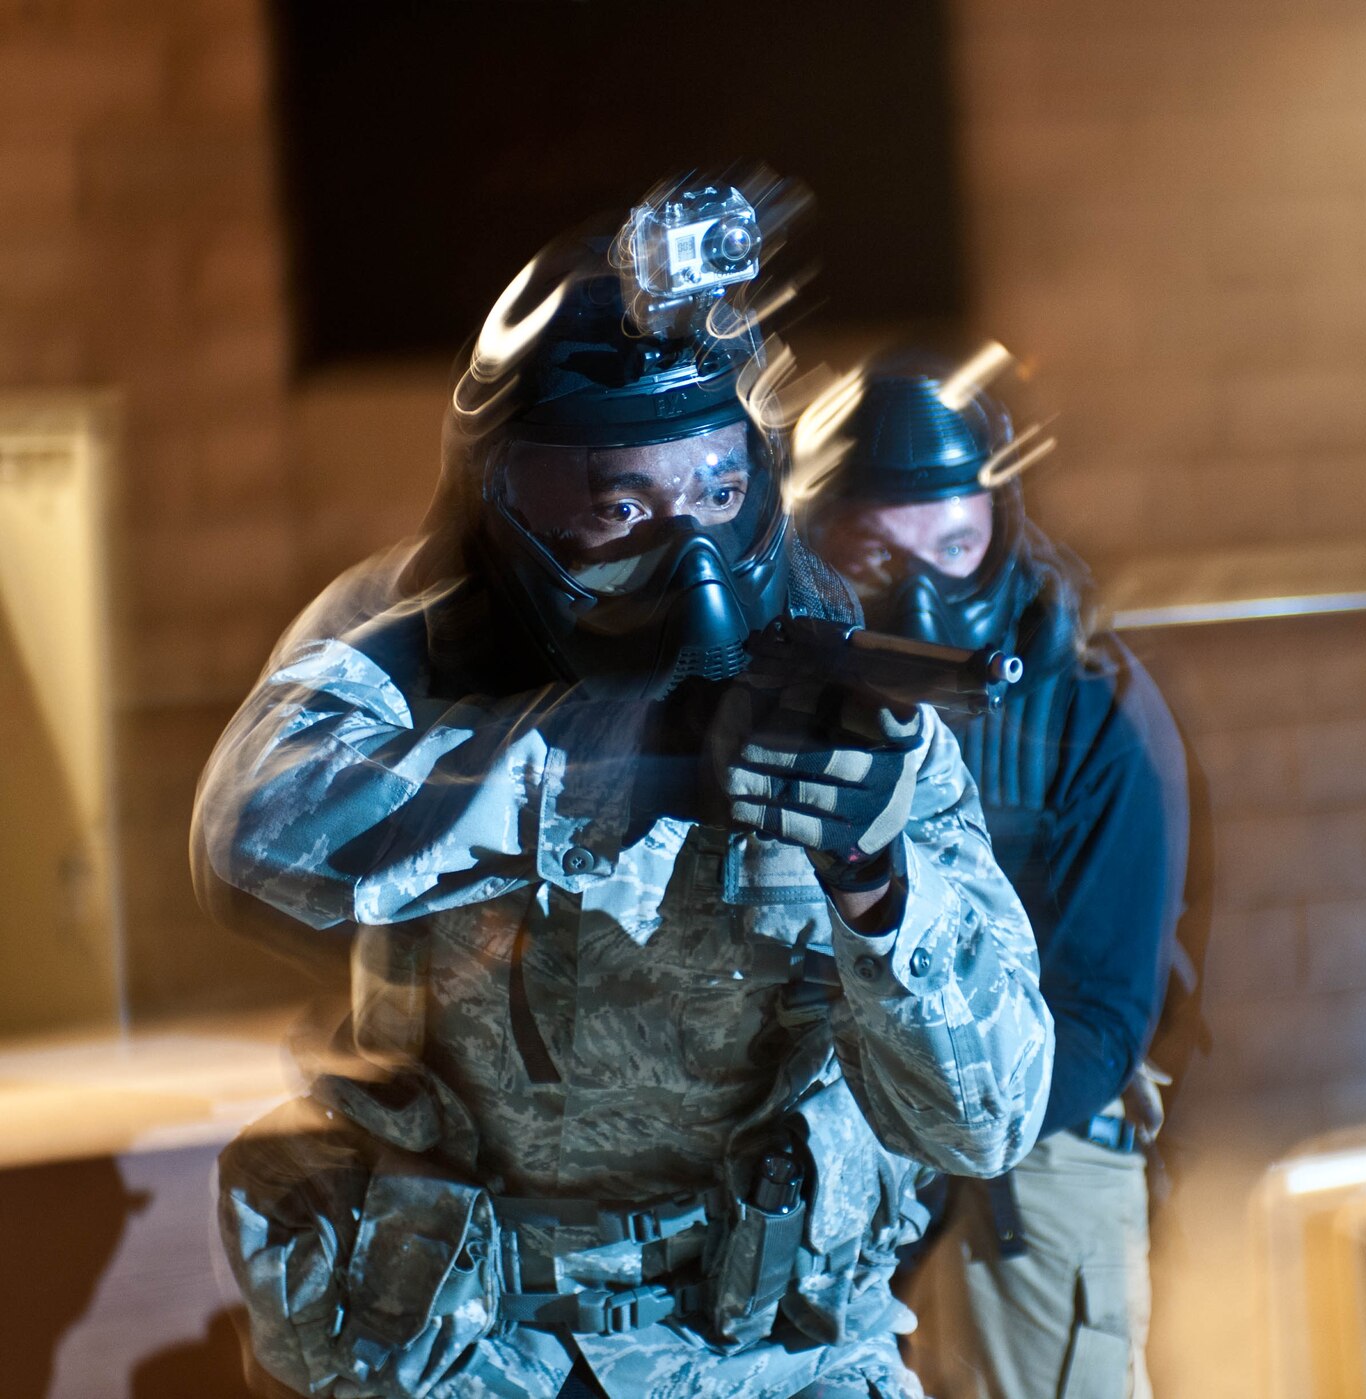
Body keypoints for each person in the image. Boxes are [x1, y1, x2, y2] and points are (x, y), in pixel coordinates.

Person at [191, 180, 1053, 1399]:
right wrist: (613, 763)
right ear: (516, 511)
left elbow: (984, 1118)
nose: (687, 552)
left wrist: (875, 885)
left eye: (713, 493)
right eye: (620, 508)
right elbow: (252, 830)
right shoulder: (420, 644)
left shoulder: (841, 689)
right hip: (486, 1345)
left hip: (784, 1348)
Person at [803, 352, 1191, 1399]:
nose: (925, 594)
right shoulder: (769, 700)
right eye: (881, 556)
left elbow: (1106, 1015)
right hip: (805, 1141)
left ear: (998, 522)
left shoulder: (1090, 710)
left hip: (1034, 1135)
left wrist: (944, 1136)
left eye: (957, 546)